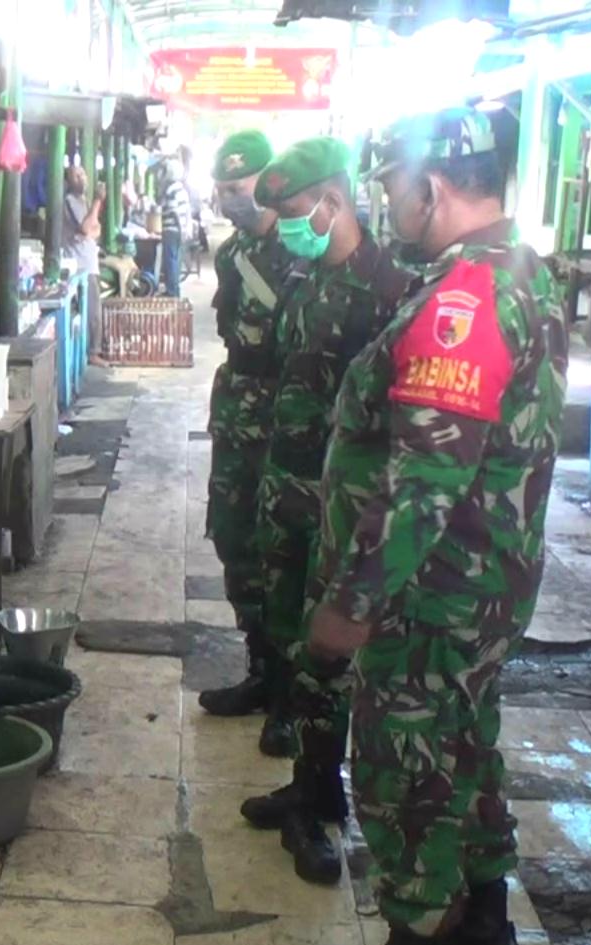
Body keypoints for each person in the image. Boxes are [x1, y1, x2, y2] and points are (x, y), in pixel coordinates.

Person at [302, 106, 567, 945]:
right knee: (463, 747)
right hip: (488, 585)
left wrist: (352, 601)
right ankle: (487, 934)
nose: (386, 207)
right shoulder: (511, 270)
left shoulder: (464, 299)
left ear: (432, 188)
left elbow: (425, 480)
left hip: (435, 590)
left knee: (406, 759)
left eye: (389, 190)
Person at [241, 137, 411, 885]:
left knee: (327, 656)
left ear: (333, 203)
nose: (286, 228)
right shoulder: (309, 281)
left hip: (347, 505)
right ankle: (307, 786)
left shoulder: (391, 290)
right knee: (287, 632)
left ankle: (324, 808)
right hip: (290, 489)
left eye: (295, 212)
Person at [199, 130, 300, 719]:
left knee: (285, 553)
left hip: (289, 425)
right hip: (238, 417)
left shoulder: (301, 250)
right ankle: (261, 670)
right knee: (236, 541)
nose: (229, 198)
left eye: (237, 187)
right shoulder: (232, 253)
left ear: (266, 184)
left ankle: (292, 693)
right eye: (222, 188)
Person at [63, 166, 107, 362]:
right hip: (80, 264)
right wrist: (98, 201)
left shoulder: (83, 201)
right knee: (92, 311)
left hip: (90, 261)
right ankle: (93, 352)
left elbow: (96, 229)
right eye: (76, 176)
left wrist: (90, 226)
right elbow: (86, 228)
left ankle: (92, 350)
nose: (82, 178)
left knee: (93, 308)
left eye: (83, 174)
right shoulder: (70, 201)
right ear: (68, 182)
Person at [157, 156, 196, 298]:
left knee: (170, 260)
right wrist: (185, 230)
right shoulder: (181, 189)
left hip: (171, 230)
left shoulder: (171, 189)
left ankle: (172, 291)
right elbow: (186, 212)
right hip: (178, 230)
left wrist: (181, 229)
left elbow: (174, 212)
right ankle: (174, 289)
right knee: (175, 260)